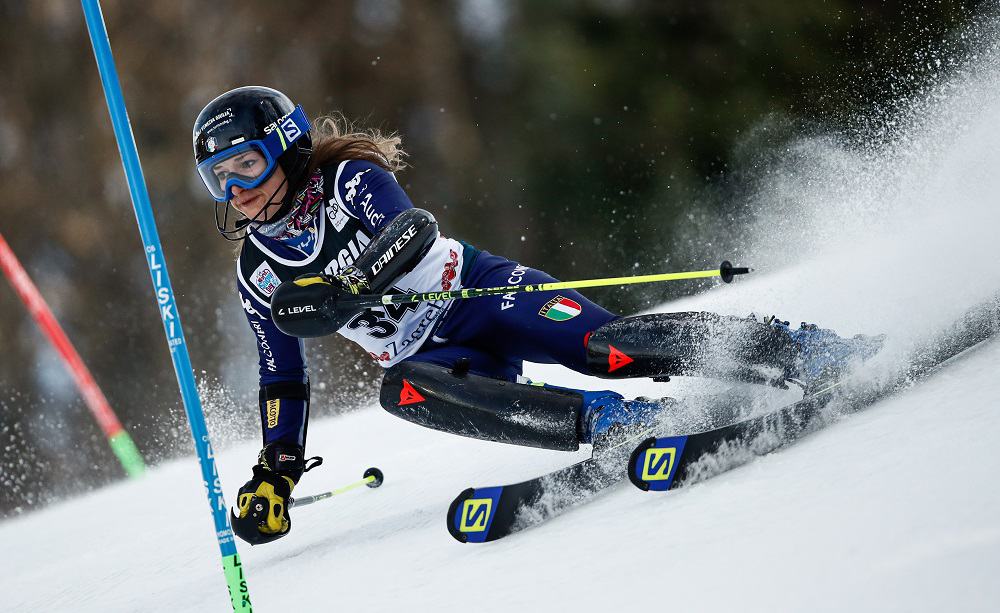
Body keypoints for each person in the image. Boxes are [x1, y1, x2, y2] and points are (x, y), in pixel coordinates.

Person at [192, 86, 880, 545]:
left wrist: (351, 285)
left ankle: (792, 347)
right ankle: (609, 420)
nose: (238, 190)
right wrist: (275, 475)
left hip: (484, 294)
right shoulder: (257, 270)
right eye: (221, 178)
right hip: (439, 359)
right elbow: (282, 376)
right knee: (399, 389)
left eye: (248, 164)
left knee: (604, 344)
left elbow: (413, 233)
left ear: (288, 146)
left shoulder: (347, 181)